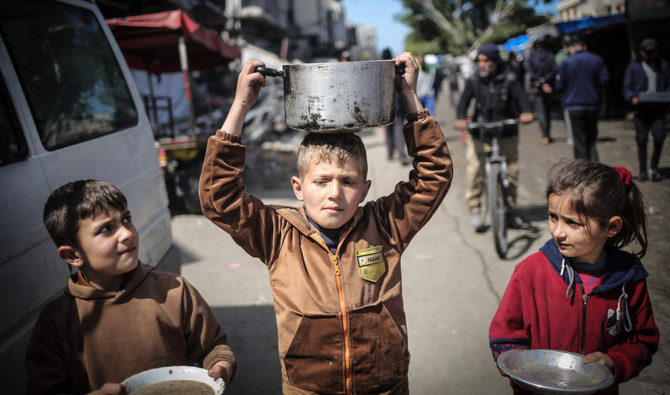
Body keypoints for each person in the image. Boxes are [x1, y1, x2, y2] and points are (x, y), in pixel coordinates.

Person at [198, 52, 453, 394]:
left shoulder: (386, 225)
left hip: (386, 385)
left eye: (348, 182)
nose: (335, 193)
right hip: (307, 388)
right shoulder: (278, 234)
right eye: (321, 181)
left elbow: (433, 176)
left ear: (364, 190)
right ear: (298, 188)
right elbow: (219, 197)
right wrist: (241, 104)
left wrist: (408, 96)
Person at [26, 180, 236, 394]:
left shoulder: (173, 290)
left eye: (126, 219)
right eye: (106, 229)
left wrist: (221, 365)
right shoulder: (56, 321)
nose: (127, 233)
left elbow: (214, 346)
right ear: (72, 255)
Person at [489, 159, 659, 394]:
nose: (558, 232)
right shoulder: (530, 272)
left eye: (572, 223)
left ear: (612, 227)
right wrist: (524, 371)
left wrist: (613, 361)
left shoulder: (628, 278)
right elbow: (503, 338)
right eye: (553, 217)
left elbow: (644, 342)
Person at [455, 43, 534, 231]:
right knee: (475, 170)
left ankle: (510, 211)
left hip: (506, 131)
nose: (482, 64)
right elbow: (463, 102)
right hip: (480, 131)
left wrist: (526, 113)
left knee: (512, 172)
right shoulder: (474, 80)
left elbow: (523, 101)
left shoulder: (511, 78)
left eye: (486, 60)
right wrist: (460, 119)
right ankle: (475, 208)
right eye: (480, 61)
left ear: (496, 61)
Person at [623, 38, 670, 182]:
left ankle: (653, 168)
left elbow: (668, 84)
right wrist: (632, 98)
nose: (651, 55)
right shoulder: (633, 67)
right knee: (641, 140)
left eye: (653, 52)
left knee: (660, 137)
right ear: (642, 52)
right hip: (641, 110)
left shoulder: (663, 65)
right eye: (648, 52)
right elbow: (627, 88)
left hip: (658, 109)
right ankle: (643, 170)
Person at [555, 37, 609, 161]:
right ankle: (595, 165)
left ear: (570, 48)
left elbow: (559, 85)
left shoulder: (567, 62)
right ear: (584, 46)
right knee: (591, 138)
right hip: (592, 104)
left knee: (579, 139)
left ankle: (582, 169)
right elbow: (604, 81)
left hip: (574, 105)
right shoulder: (596, 60)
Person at [526, 37, 558, 144]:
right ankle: (548, 133)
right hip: (548, 86)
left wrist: (539, 81)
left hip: (536, 87)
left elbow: (530, 71)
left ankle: (545, 135)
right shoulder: (550, 55)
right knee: (547, 110)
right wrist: (545, 80)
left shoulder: (531, 57)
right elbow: (554, 70)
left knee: (540, 112)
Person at [383, 47, 410, 164]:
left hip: (385, 108)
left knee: (388, 131)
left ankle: (390, 153)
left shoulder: (380, 70)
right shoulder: (396, 68)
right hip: (398, 105)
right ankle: (401, 155)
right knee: (398, 130)